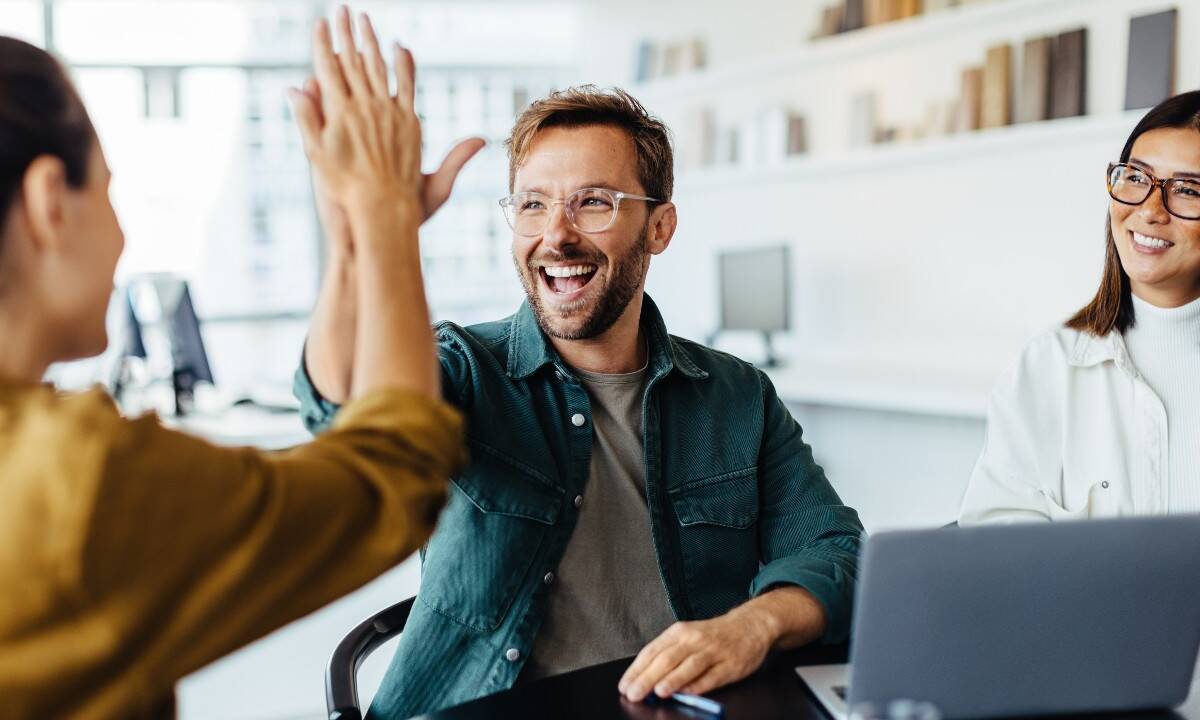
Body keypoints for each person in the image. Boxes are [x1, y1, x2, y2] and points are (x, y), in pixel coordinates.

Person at [296, 82, 865, 717]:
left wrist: (752, 625)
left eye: (593, 202)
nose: (557, 235)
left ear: (659, 226)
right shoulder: (463, 370)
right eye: (533, 205)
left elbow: (838, 552)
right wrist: (359, 237)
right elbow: (342, 405)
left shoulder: (738, 396)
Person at [0, 9, 471, 717]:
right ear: (48, 204)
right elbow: (393, 470)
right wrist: (383, 210)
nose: (123, 233)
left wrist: (352, 240)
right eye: (107, 188)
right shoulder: (73, 482)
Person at [960, 90, 1200, 524]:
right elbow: (997, 552)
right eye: (1136, 178)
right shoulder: (1046, 367)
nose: (1148, 210)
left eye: (1186, 189)